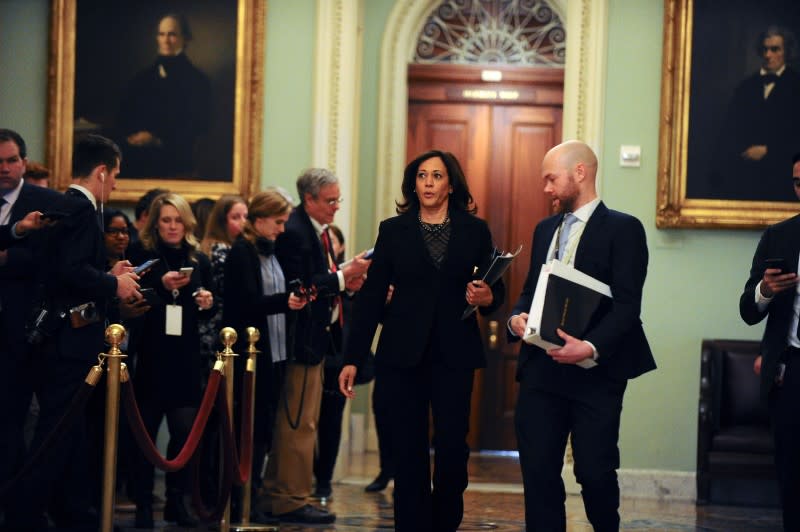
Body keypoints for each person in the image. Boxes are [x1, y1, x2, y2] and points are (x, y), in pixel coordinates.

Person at [339, 150, 505, 532]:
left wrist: (487, 298)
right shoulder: (393, 230)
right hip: (401, 355)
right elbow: (371, 297)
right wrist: (353, 357)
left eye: (437, 176)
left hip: (455, 354)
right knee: (407, 450)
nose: (428, 183)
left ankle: (444, 522)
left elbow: (496, 290)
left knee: (451, 449)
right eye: (421, 176)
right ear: (413, 184)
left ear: (450, 185)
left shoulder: (475, 230)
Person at [506, 140, 655, 531]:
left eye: (551, 179)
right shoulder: (544, 229)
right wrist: (517, 318)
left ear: (580, 173)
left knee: (595, 472)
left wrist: (587, 347)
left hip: (596, 374)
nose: (546, 189)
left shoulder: (624, 229)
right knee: (538, 474)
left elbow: (627, 307)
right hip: (541, 372)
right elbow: (528, 292)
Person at [4, 134, 141, 531]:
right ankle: (25, 515)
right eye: (114, 175)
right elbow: (70, 271)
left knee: (68, 433)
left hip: (54, 338)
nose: (114, 184)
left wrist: (104, 276)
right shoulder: (81, 210)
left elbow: (65, 269)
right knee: (56, 434)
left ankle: (70, 511)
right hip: (71, 340)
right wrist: (113, 285)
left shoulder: (58, 204)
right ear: (101, 172)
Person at [256, 168, 370, 525]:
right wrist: (343, 275)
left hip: (316, 339)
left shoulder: (315, 232)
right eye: (330, 200)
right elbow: (302, 285)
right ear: (310, 199)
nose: (336, 207)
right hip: (300, 340)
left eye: (338, 199)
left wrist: (347, 281)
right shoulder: (295, 233)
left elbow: (324, 284)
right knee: (299, 424)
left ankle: (284, 492)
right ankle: (289, 498)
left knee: (303, 422)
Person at [127, 192, 214, 528]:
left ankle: (177, 502)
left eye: (178, 220)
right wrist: (161, 286)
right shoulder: (142, 255)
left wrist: (206, 302)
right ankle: (144, 506)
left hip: (186, 359)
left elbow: (204, 315)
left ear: (187, 222)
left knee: (185, 434)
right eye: (166, 220)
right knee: (144, 437)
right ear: (155, 222)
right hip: (150, 357)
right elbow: (135, 304)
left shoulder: (198, 259)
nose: (173, 226)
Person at [222, 189, 307, 519]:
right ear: (258, 221)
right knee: (248, 428)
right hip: (247, 353)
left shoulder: (270, 252)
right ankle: (240, 499)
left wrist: (292, 299)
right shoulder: (242, 253)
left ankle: (254, 494)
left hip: (273, 350)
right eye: (278, 222)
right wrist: (284, 302)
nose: (282, 229)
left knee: (263, 429)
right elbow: (246, 304)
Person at [0, 130, 62, 523]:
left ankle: (22, 509)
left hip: (22, 333)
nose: (4, 169)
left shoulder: (45, 202)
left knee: (17, 424)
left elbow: (46, 261)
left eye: (11, 160)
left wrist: (11, 257)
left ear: (23, 162)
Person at [739, 152, 800, 531]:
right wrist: (765, 289)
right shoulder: (778, 237)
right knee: (792, 473)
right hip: (793, 370)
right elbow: (748, 309)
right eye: (797, 182)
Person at [711, 26, 800, 202]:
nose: (768, 55)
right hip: (746, 175)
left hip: (780, 175)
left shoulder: (797, 86)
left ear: (786, 52)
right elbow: (730, 129)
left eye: (775, 49)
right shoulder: (745, 87)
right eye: (765, 49)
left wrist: (769, 150)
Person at [118, 13, 212, 178]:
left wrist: (156, 138)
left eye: (172, 34)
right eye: (162, 34)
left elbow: (200, 124)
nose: (166, 40)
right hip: (137, 157)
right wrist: (135, 136)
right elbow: (125, 115)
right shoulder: (141, 78)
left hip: (176, 159)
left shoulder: (198, 81)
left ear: (186, 38)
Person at [313, 223, 349, 499]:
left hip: (337, 357)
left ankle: (324, 478)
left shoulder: (350, 280)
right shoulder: (321, 275)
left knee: (331, 421)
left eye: (334, 242)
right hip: (314, 352)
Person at [198, 194, 247, 366]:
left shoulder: (233, 247)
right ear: (222, 221)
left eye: (246, 216)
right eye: (235, 217)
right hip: (216, 328)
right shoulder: (221, 251)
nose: (243, 222)